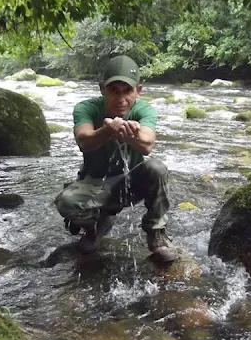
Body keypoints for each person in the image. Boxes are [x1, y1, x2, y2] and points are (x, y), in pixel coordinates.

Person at [55, 55, 178, 262]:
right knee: (66, 202)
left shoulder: (144, 110)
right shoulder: (85, 108)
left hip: (131, 182)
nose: (121, 99)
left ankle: (156, 233)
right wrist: (106, 131)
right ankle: (96, 227)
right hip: (94, 183)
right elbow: (83, 140)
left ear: (138, 90)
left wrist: (133, 136)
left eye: (127, 91)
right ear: (102, 88)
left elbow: (147, 145)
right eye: (114, 90)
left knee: (157, 168)